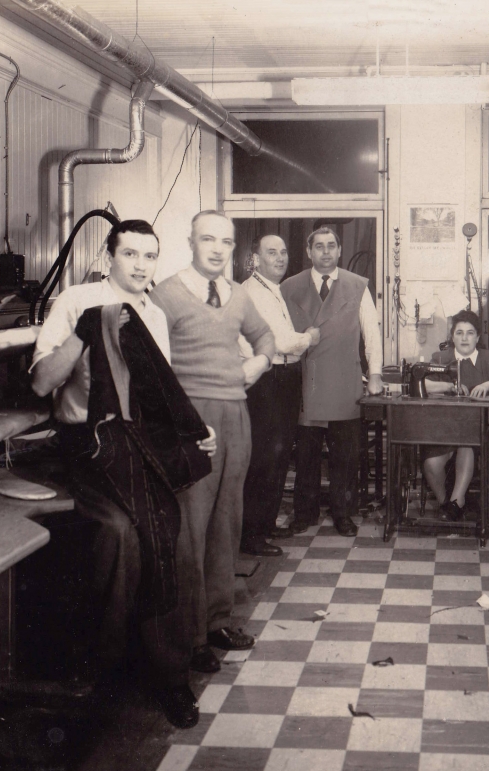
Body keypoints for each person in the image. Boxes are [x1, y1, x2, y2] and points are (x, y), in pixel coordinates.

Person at [31, 219, 215, 728]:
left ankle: (168, 674)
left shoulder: (154, 314)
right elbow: (43, 382)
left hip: (139, 445)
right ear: (109, 256)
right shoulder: (78, 300)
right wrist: (91, 329)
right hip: (87, 448)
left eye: (149, 256)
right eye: (130, 254)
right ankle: (102, 669)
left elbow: (158, 396)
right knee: (121, 537)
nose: (140, 265)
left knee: (170, 537)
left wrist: (193, 433)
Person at [151, 210, 275, 675]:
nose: (218, 249)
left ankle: (218, 620)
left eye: (225, 241)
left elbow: (264, 337)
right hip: (191, 419)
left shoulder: (238, 294)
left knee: (227, 520)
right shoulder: (163, 295)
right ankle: (189, 635)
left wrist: (257, 365)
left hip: (235, 414)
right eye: (208, 239)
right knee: (190, 527)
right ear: (190, 241)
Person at [281, 226, 383, 537]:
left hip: (344, 381)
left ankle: (343, 514)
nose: (326, 252)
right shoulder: (289, 287)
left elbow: (372, 332)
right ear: (309, 252)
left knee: (345, 457)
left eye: (331, 246)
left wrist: (375, 374)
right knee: (307, 457)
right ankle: (305, 513)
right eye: (319, 247)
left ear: (339, 251)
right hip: (306, 384)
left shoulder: (357, 285)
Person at [238, 235, 320, 557]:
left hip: (283, 378)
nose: (280, 258)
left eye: (284, 252)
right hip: (266, 380)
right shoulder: (253, 292)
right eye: (271, 252)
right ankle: (252, 537)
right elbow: (281, 343)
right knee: (265, 459)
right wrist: (310, 337)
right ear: (255, 259)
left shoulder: (273, 290)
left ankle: (263, 525)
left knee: (278, 456)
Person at [422, 310, 489, 521]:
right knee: (431, 464)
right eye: (459, 333)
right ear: (452, 336)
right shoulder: (441, 358)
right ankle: (449, 504)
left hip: (482, 428)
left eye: (470, 333)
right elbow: (423, 383)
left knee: (466, 443)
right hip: (445, 427)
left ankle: (457, 501)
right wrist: (448, 385)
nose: (465, 338)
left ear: (478, 337)